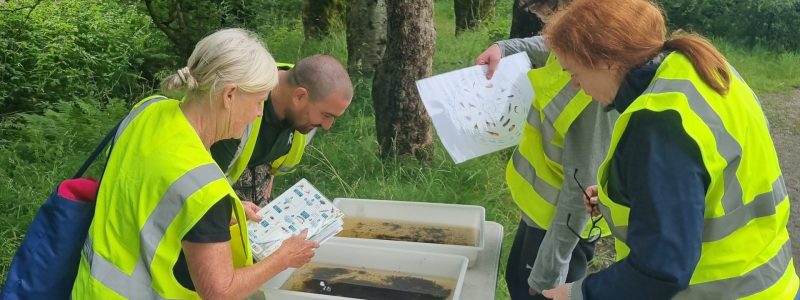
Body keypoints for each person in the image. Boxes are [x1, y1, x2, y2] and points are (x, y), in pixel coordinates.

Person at [537, 0, 800, 299]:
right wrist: (631, 190)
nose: (576, 86)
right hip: (774, 283)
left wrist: (578, 293)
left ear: (606, 61)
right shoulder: (699, 66)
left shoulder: (657, 123)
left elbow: (662, 268)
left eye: (575, 73)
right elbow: (709, 176)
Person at [72, 28, 319, 299]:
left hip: (88, 288)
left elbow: (144, 196)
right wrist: (283, 257)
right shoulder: (205, 189)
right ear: (229, 95)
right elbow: (220, 292)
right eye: (258, 101)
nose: (259, 113)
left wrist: (228, 212)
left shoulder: (147, 110)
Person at [475, 0, 616, 298]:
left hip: (563, 226)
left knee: (535, 291)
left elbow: (580, 192)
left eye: (541, 11)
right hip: (540, 212)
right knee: (516, 279)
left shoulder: (594, 97)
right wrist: (505, 47)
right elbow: (549, 45)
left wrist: (548, 274)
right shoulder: (579, 44)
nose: (539, 20)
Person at [211, 55, 353, 206]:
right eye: (326, 115)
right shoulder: (237, 106)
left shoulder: (306, 104)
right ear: (299, 96)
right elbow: (204, 187)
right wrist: (232, 208)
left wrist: (269, 172)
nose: (327, 126)